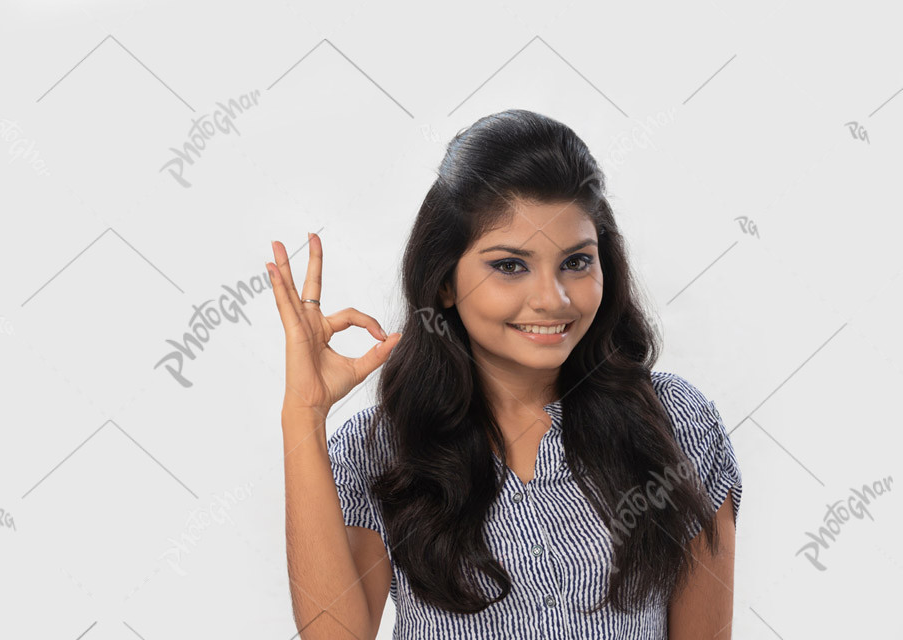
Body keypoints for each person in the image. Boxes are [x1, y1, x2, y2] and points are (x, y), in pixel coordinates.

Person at [270, 109, 743, 639]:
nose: (552, 299)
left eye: (576, 262)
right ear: (445, 283)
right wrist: (303, 414)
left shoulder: (676, 426)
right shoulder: (382, 450)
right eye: (510, 266)